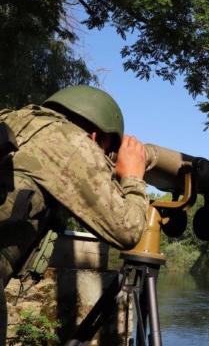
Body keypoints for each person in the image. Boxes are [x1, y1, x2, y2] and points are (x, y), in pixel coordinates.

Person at [0, 85, 149, 345]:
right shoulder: (72, 142)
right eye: (106, 151)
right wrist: (134, 178)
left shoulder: (11, 118)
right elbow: (128, 230)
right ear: (95, 136)